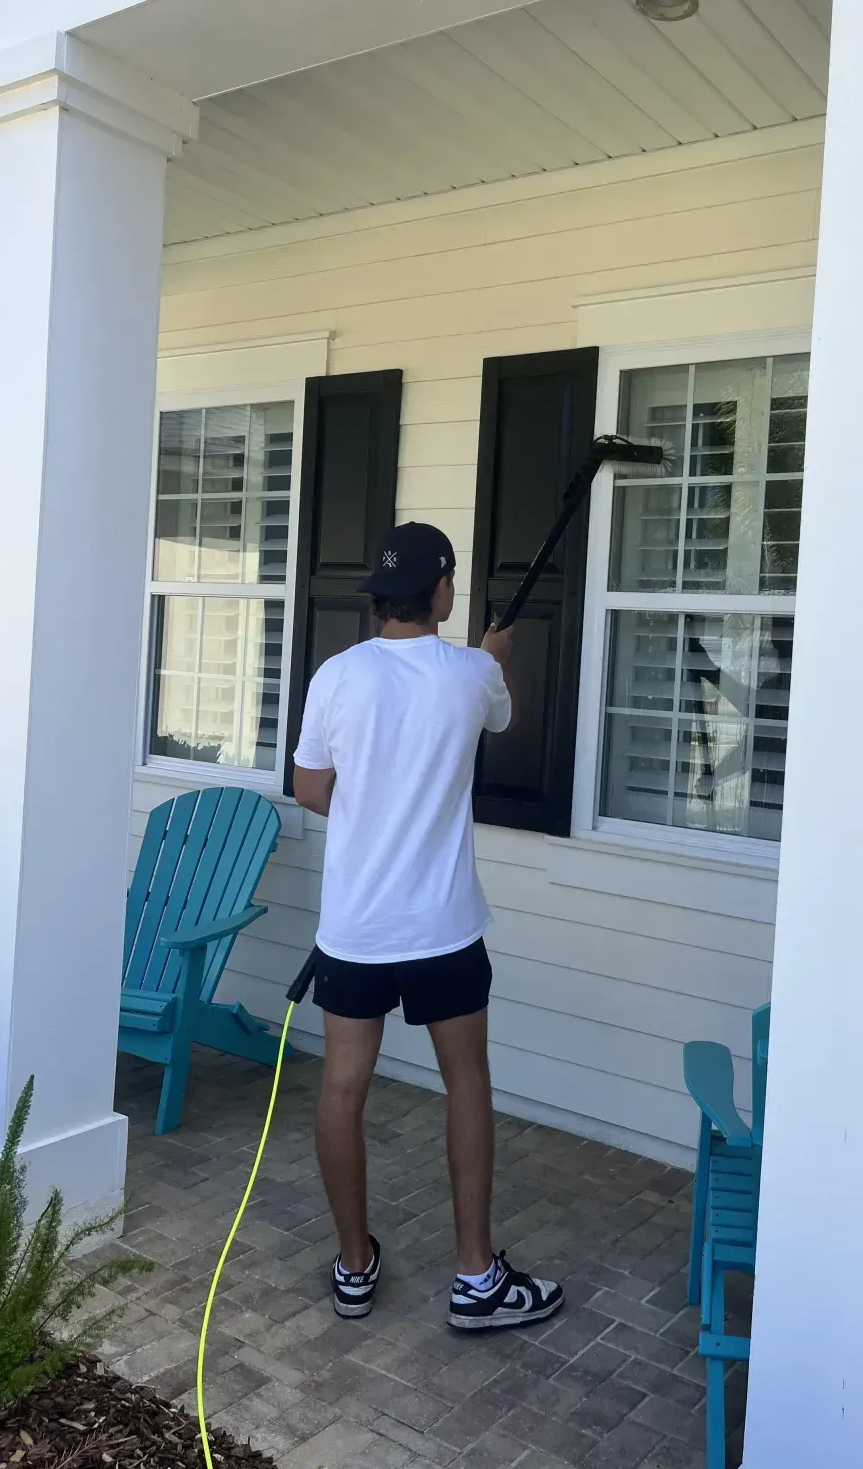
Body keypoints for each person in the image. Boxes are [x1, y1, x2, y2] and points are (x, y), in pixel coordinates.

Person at [292, 521, 564, 1331]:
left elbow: (310, 788)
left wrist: (369, 815)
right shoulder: (473, 672)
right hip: (443, 928)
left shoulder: (336, 677)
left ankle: (352, 1267)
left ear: (380, 599)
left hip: (356, 929)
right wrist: (497, 656)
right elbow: (498, 715)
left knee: (342, 1089)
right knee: (466, 1083)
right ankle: (477, 1279)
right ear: (442, 590)